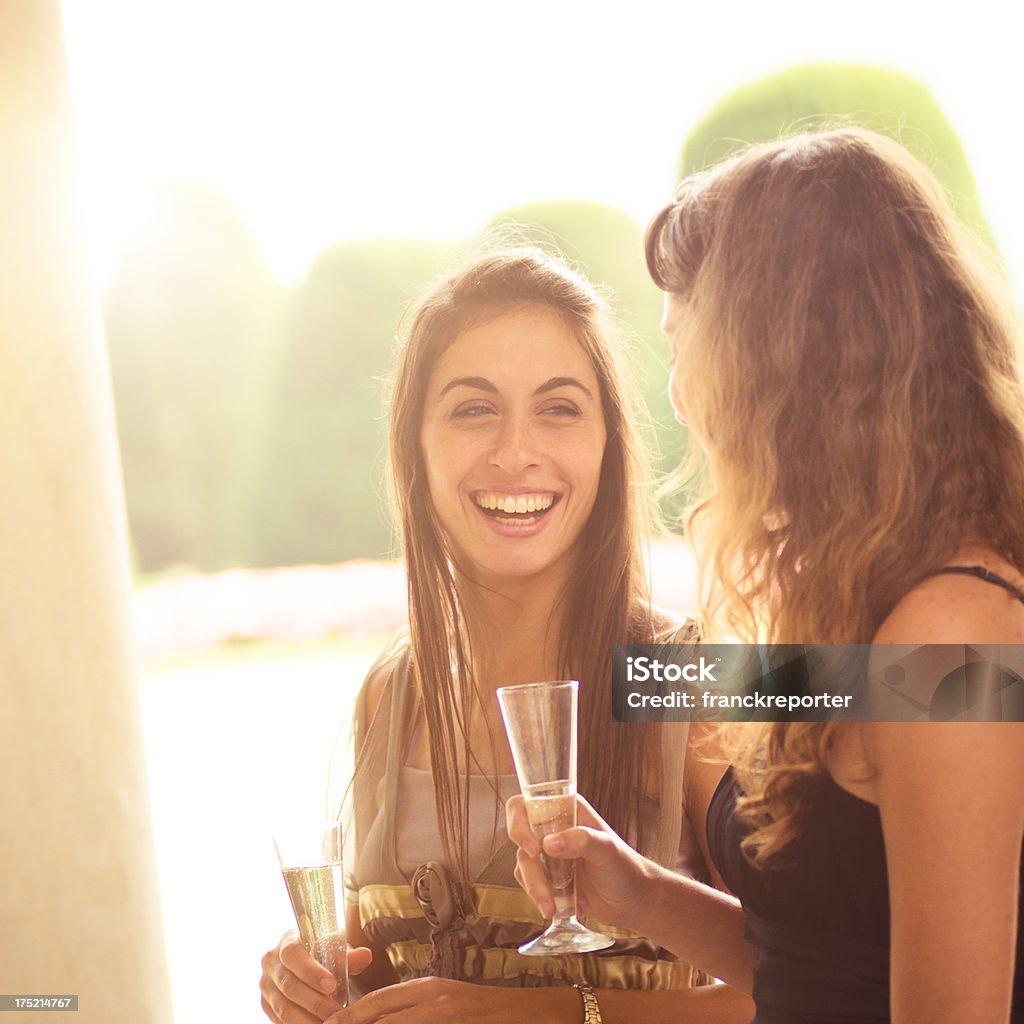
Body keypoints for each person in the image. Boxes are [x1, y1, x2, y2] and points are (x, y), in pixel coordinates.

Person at [509, 127, 1024, 1023]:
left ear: (775, 359)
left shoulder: (953, 635)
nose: (677, 396)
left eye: (682, 345)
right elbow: (825, 967)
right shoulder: (860, 596)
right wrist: (640, 897)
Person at [259, 246, 753, 1024]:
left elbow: (810, 986)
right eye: (473, 408)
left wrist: (549, 1014)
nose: (516, 451)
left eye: (559, 408)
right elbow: (379, 970)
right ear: (414, 447)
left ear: (607, 445)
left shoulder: (693, 679)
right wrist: (316, 978)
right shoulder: (393, 694)